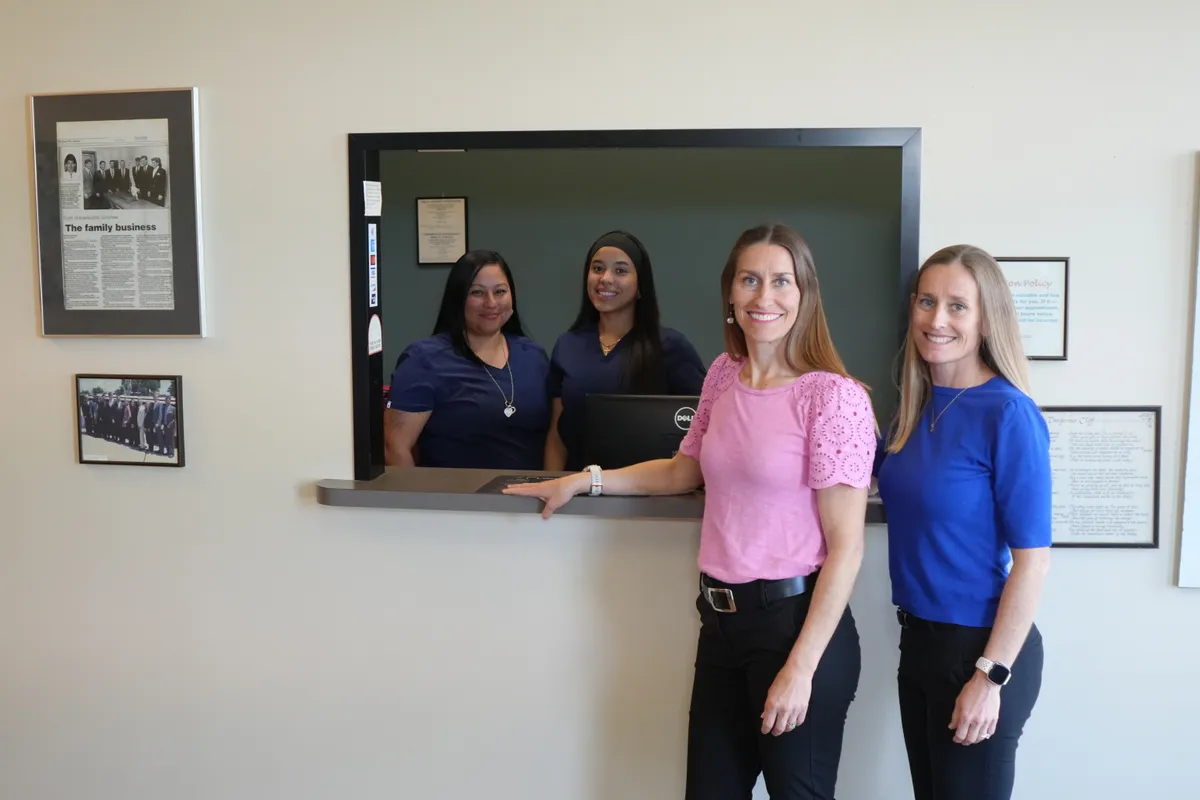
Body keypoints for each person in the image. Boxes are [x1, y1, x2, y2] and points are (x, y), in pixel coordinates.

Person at [505, 223, 877, 799]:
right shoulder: (723, 376)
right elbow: (683, 471)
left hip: (795, 628)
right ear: (730, 293)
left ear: (804, 294)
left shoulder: (835, 397)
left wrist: (801, 668)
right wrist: (585, 480)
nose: (764, 297)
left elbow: (847, 549)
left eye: (782, 281)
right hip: (721, 625)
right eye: (750, 280)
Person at [874, 244, 1051, 800]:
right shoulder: (913, 409)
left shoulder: (1008, 413)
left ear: (985, 318)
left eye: (957, 306)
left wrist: (990, 676)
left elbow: (1033, 563)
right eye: (927, 302)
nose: (937, 319)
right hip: (918, 644)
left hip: (979, 648)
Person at [545, 230, 707, 470]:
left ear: (641, 284)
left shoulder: (671, 347)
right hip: (574, 493)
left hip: (647, 497)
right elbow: (557, 437)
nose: (605, 279)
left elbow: (703, 425)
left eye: (620, 271)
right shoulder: (568, 345)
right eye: (598, 268)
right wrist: (551, 484)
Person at [384, 249, 551, 470]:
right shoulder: (424, 359)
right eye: (477, 293)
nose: (491, 303)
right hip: (455, 499)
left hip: (531, 499)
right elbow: (394, 448)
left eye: (500, 291)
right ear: (458, 298)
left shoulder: (534, 356)